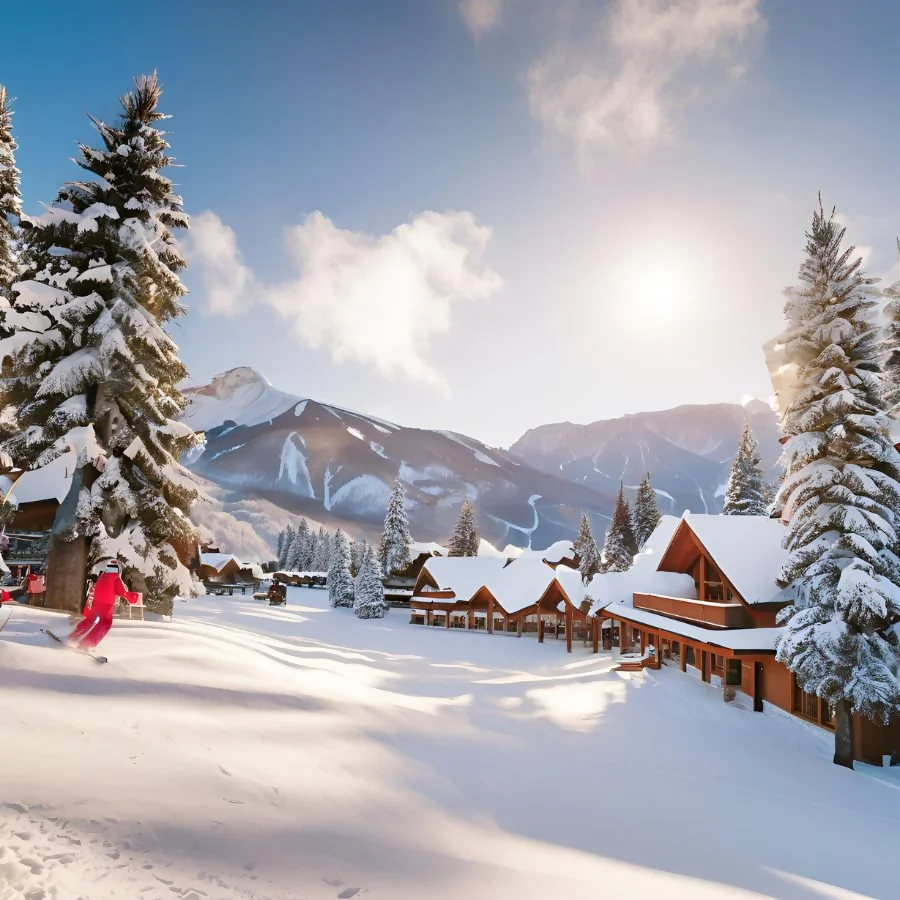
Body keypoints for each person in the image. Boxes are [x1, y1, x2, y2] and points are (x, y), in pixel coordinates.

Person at [68, 559, 139, 651]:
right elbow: (121, 591)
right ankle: (88, 643)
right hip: (106, 605)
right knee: (105, 624)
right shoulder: (115, 577)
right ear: (117, 569)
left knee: (90, 619)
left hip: (96, 602)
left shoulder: (102, 576)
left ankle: (73, 636)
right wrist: (129, 596)